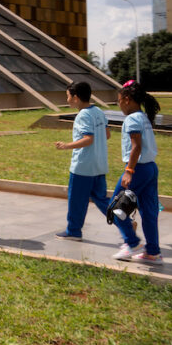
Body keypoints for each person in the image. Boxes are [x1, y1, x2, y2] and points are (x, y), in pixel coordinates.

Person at [110, 80, 162, 264]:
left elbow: (136, 147)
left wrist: (129, 170)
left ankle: (132, 243)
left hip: (138, 168)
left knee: (115, 207)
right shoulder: (143, 117)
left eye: (118, 101)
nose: (119, 105)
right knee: (148, 212)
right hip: (150, 168)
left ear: (127, 99)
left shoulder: (132, 119)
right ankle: (153, 252)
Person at [55, 81, 110, 241]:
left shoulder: (83, 115)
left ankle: (73, 231)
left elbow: (88, 139)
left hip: (83, 166)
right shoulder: (99, 111)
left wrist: (66, 146)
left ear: (76, 98)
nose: (67, 100)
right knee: (101, 199)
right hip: (99, 165)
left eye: (68, 96)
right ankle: (125, 220)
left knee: (76, 200)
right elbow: (107, 135)